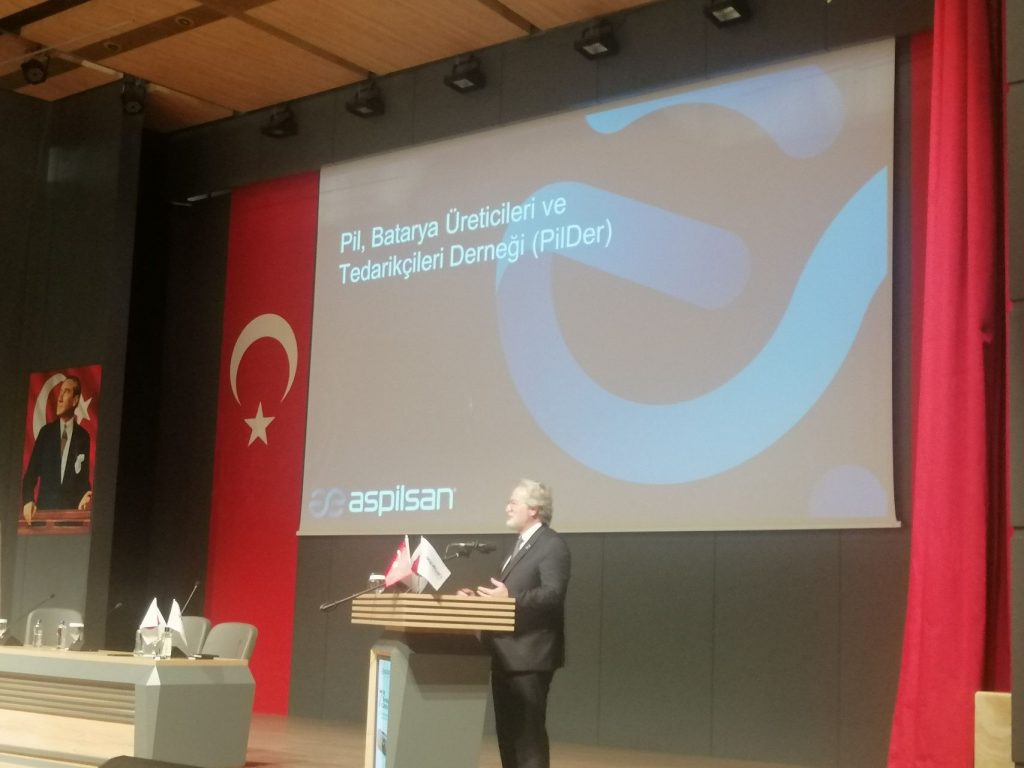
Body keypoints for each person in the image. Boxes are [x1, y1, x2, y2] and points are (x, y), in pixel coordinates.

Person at [461, 479, 571, 768]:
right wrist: (477, 600)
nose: (507, 507)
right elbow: (507, 597)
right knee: (508, 738)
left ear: (534, 509)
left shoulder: (551, 545)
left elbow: (553, 594)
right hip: (505, 655)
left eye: (513, 502)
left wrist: (509, 597)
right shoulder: (520, 545)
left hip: (529, 657)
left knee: (528, 740)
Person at [22, 376, 93, 522]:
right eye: (60, 392)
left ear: (75, 400)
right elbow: (30, 476)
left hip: (71, 521)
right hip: (44, 519)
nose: (59, 398)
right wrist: (28, 500)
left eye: (66, 392)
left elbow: (83, 480)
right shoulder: (45, 434)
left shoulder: (83, 437)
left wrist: (86, 495)